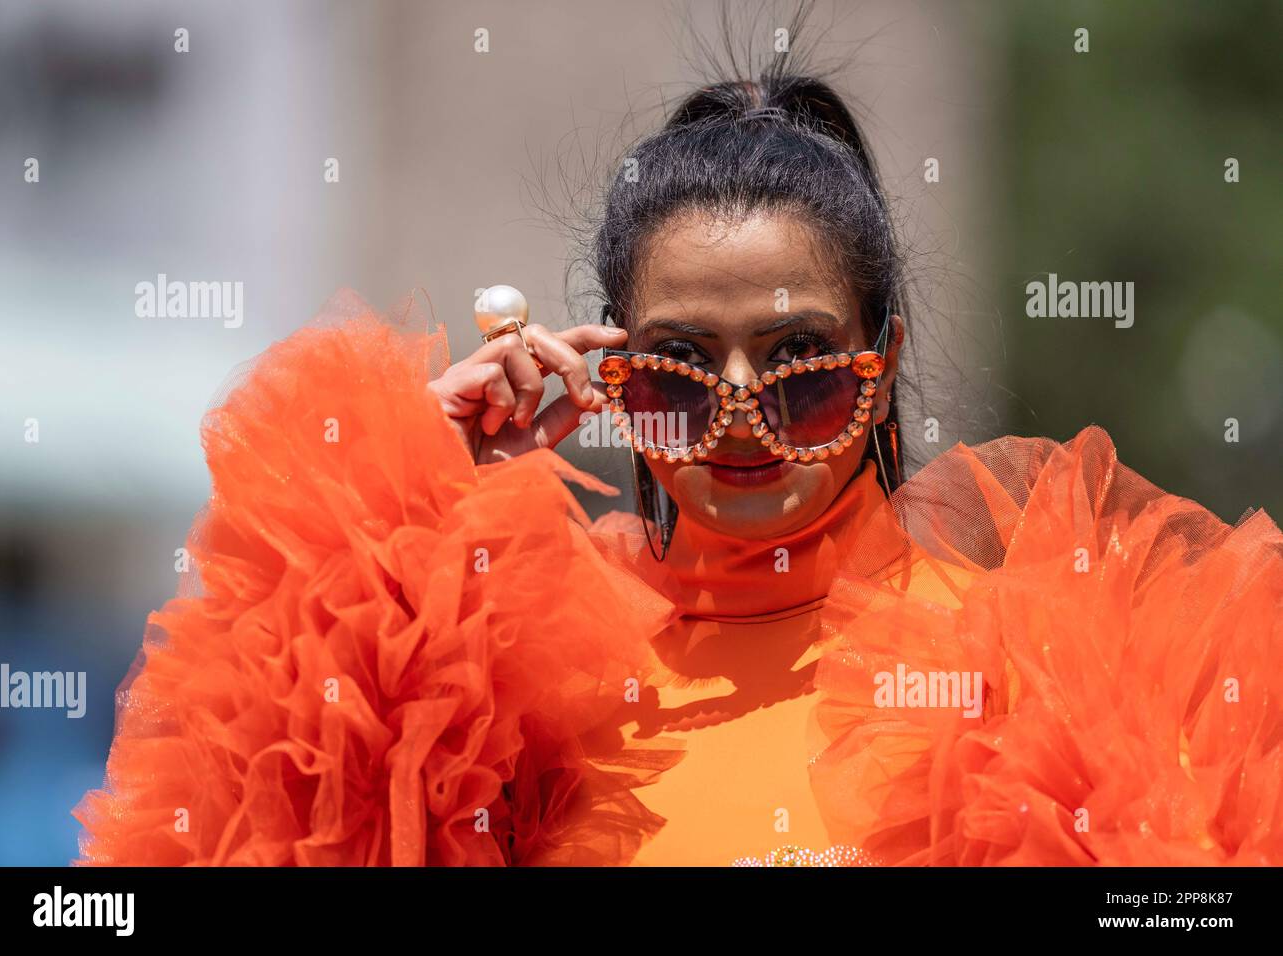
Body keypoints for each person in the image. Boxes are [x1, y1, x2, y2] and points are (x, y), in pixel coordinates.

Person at [73, 62, 1282, 867]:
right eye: (678, 370)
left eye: (802, 364)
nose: (743, 417)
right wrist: (393, 526)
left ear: (882, 362)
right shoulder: (497, 690)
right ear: (609, 372)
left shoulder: (1054, 664)